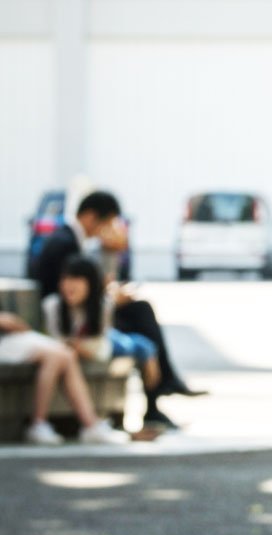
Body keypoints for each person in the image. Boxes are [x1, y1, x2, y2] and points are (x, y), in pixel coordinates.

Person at [34, 190, 204, 428]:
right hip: (74, 321)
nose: (108, 230)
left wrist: (111, 272)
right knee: (142, 318)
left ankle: (161, 389)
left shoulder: (68, 239)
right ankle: (161, 389)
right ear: (91, 216)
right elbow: (73, 292)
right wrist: (112, 297)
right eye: (108, 223)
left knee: (141, 315)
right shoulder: (65, 243)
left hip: (83, 314)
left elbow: (94, 285)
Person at [42, 255, 163, 405]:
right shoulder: (52, 305)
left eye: (76, 279)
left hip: (104, 342)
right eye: (65, 279)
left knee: (131, 344)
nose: (69, 285)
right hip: (95, 344)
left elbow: (102, 345)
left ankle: (149, 353)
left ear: (91, 283)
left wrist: (78, 347)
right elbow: (54, 341)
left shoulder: (102, 306)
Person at [0, 311, 129, 446]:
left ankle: (91, 425)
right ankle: (39, 424)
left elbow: (19, 326)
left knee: (67, 354)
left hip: (14, 337)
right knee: (56, 356)